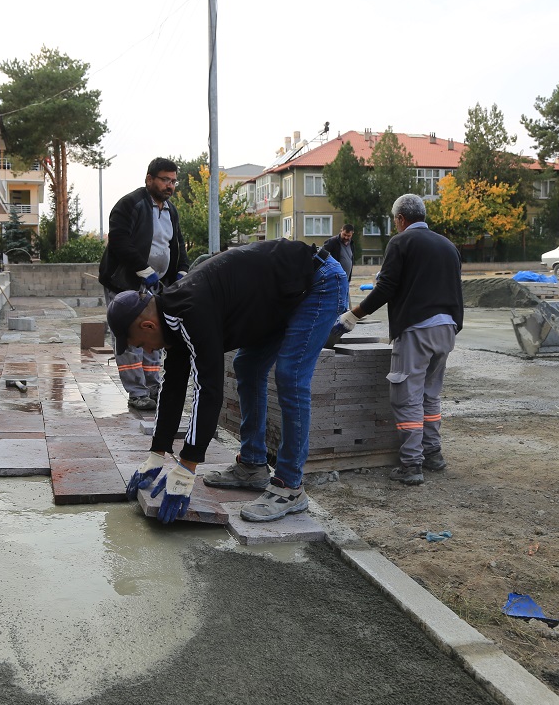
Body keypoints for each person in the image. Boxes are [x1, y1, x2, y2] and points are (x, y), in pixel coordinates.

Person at [106, 239, 347, 523]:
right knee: (247, 365)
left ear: (148, 325)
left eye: (140, 344)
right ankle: (253, 465)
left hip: (318, 282)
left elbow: (208, 390)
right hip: (284, 292)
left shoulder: (191, 310)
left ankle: (290, 486)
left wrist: (187, 466)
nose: (146, 351)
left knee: (290, 375)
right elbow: (173, 387)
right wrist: (157, 452)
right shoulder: (172, 315)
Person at [335, 194, 463, 486]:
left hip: (417, 328)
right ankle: (433, 454)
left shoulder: (401, 242)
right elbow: (454, 288)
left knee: (406, 396)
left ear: (401, 219)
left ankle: (411, 465)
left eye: (395, 221)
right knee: (430, 394)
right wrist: (455, 325)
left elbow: (386, 289)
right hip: (447, 328)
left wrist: (352, 316)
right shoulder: (448, 246)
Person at [99, 158, 190, 411]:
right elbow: (120, 242)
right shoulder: (130, 204)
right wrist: (145, 270)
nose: (169, 185)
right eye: (164, 179)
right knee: (130, 339)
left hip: (156, 287)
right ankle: (137, 393)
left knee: (154, 334)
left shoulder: (171, 210)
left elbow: (179, 245)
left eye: (173, 181)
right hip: (124, 284)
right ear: (149, 179)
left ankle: (152, 388)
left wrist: (181, 271)